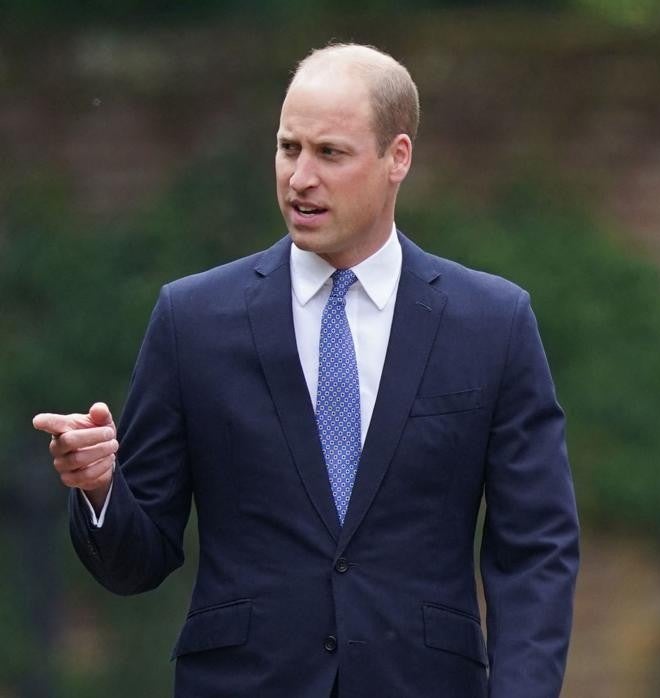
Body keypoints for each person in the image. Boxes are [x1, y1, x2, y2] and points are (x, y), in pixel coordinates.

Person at [32, 43, 579, 698]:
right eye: (289, 148)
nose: (300, 178)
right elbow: (137, 558)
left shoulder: (492, 323)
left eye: (330, 153)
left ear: (396, 157)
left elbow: (536, 549)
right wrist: (99, 490)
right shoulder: (192, 320)